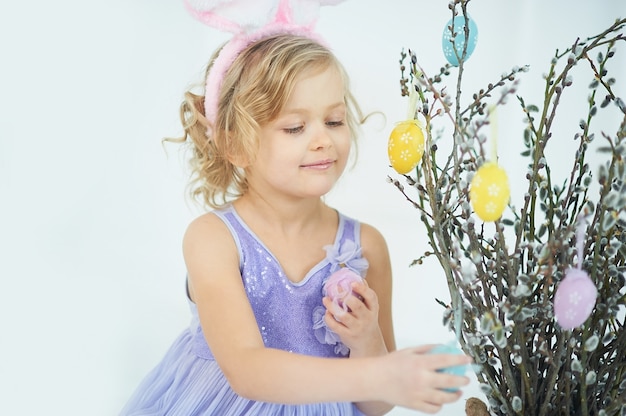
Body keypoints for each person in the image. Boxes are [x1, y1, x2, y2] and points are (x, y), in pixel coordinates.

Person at [120, 16, 472, 416]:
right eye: (294, 128)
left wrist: (367, 342)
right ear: (235, 145)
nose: (323, 139)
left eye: (334, 121)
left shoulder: (366, 246)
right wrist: (379, 375)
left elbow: (376, 406)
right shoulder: (213, 239)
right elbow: (248, 371)